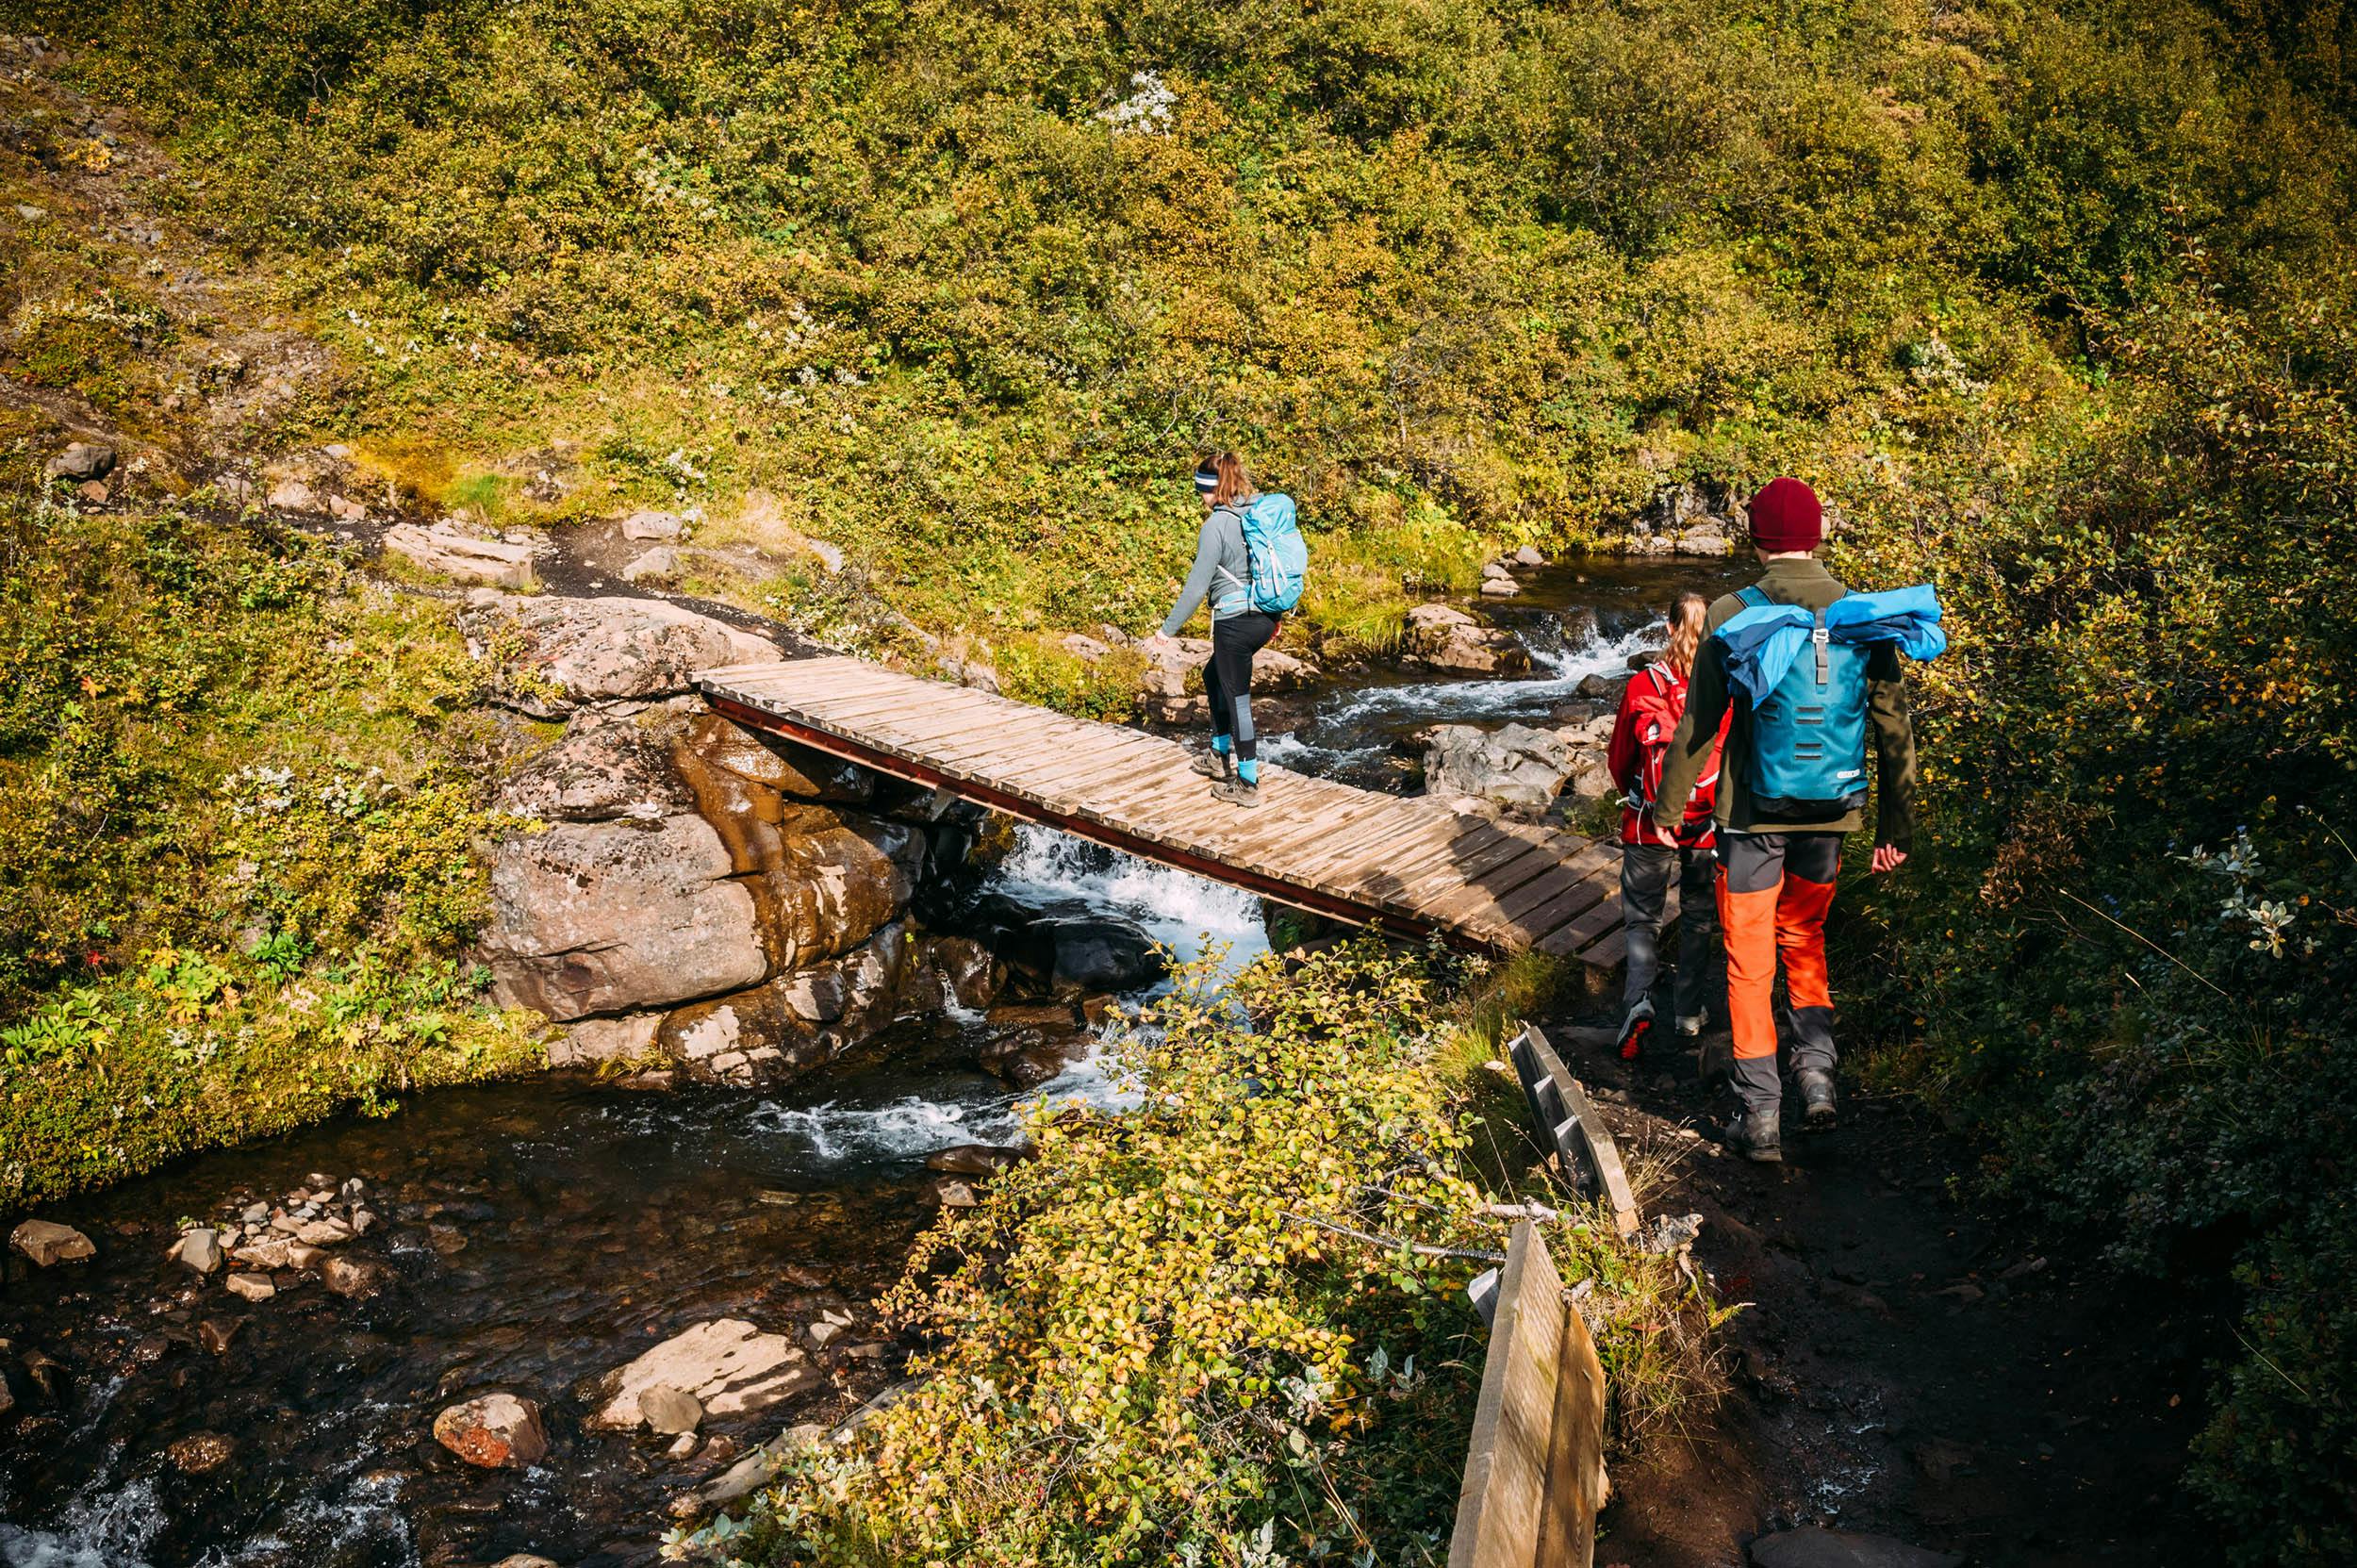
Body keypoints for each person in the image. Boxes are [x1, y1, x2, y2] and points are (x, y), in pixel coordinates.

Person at [1651, 477, 1923, 1164]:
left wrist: (1666, 809)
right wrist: (1896, 826)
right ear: (1818, 534)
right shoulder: (1861, 613)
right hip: (1832, 813)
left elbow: (1700, 722)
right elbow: (1894, 728)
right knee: (1804, 936)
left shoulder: (1730, 610)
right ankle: (1818, 1076)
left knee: (1748, 963)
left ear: (1756, 537)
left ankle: (1762, 1114)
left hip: (1751, 817)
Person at [1605, 592, 1727, 1064]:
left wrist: (1639, 801)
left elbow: (1621, 759)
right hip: (1706, 824)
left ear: (1669, 627)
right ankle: (1689, 1012)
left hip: (1648, 822)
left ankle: (1639, 1002)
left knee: (1642, 917)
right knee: (1698, 915)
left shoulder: (1642, 686)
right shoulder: (1724, 683)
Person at [1155, 453, 1280, 808]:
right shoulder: (1253, 515)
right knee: (1214, 676)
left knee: (1237, 697)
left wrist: (1168, 630)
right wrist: (1275, 617)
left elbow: (1197, 586)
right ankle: (1218, 753)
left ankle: (1247, 784)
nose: (1201, 498)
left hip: (1235, 621)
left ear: (1212, 488)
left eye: (1202, 491)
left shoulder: (1216, 526)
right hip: (1263, 617)